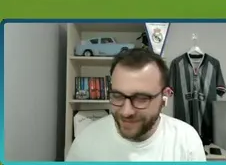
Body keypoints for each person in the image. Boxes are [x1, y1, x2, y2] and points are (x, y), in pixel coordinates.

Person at [66, 48, 206, 161]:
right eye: (117, 96)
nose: (126, 111)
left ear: (165, 96)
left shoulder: (187, 141)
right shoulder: (86, 142)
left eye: (141, 98)